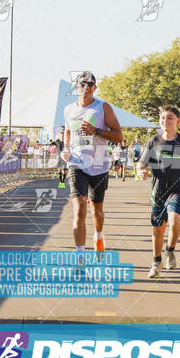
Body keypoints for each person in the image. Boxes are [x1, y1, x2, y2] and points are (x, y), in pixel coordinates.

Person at [138, 105, 180, 278]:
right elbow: (141, 163)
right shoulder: (154, 141)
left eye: (170, 117)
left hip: (179, 188)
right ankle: (156, 262)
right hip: (159, 190)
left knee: (175, 220)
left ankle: (170, 250)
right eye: (163, 118)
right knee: (158, 229)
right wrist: (141, 171)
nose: (165, 121)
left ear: (177, 121)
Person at [61, 71, 123, 252]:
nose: (86, 88)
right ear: (76, 87)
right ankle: (80, 256)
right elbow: (68, 132)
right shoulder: (68, 110)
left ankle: (99, 236)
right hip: (76, 162)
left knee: (97, 211)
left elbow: (119, 136)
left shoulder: (103, 108)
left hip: (99, 165)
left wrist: (96, 130)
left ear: (95, 88)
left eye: (90, 84)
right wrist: (66, 148)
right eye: (82, 84)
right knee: (80, 207)